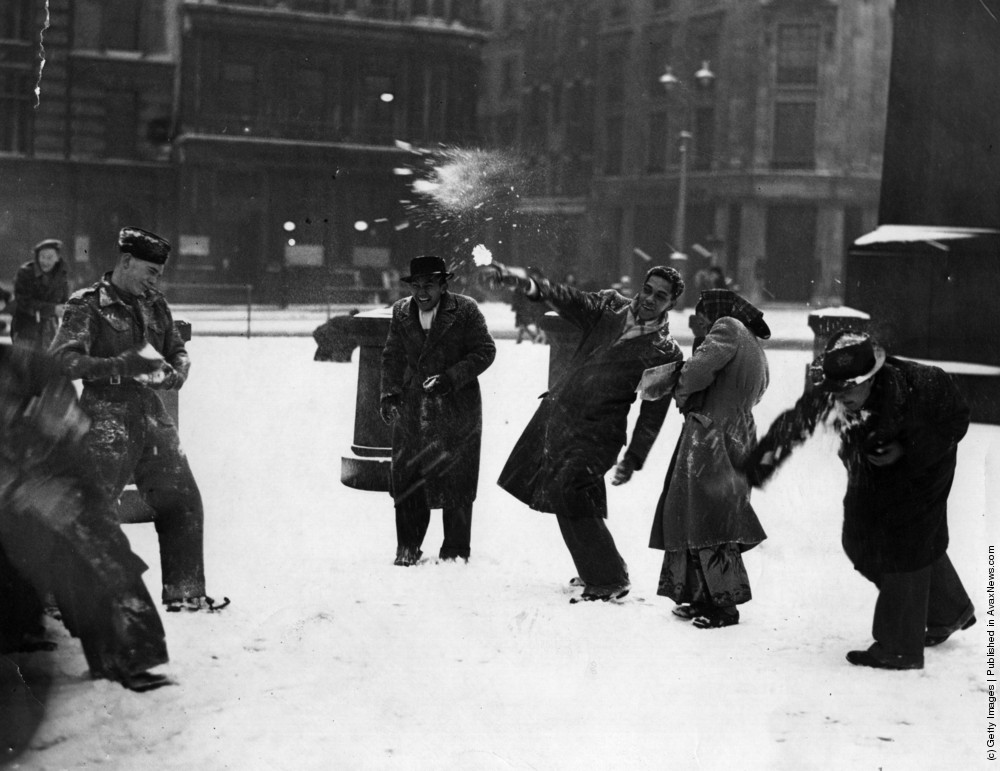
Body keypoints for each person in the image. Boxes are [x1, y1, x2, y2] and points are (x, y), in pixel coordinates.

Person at [743, 330, 974, 669]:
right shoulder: (835, 390)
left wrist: (906, 449)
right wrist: (752, 470)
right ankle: (948, 610)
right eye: (836, 388)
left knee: (907, 544)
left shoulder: (924, 385)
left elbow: (957, 421)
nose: (841, 396)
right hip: (870, 463)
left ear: (872, 377)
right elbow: (796, 422)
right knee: (859, 539)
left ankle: (899, 648)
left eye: (850, 387)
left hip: (924, 468)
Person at [49, 226, 226, 613]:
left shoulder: (155, 303)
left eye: (158, 273)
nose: (155, 280)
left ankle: (185, 592)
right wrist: (123, 366)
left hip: (151, 412)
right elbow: (62, 361)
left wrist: (176, 372)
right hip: (105, 414)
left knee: (182, 500)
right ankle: (61, 599)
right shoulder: (88, 304)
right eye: (151, 271)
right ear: (126, 262)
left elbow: (176, 350)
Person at [490, 265, 685, 603]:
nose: (650, 299)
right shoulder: (609, 306)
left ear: (671, 303)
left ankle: (608, 578)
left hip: (601, 433)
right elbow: (569, 299)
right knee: (574, 497)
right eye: (648, 289)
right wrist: (527, 284)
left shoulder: (666, 352)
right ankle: (599, 569)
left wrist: (634, 457)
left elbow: (653, 412)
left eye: (661, 296)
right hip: (564, 417)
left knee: (568, 491)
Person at [0, 342, 171, 691]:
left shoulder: (33, 366)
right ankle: (18, 631)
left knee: (99, 554)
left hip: (65, 473)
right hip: (15, 488)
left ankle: (129, 655)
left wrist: (47, 488)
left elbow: (68, 427)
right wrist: (24, 491)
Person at [649, 289, 771, 629]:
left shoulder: (728, 326)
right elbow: (758, 391)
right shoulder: (753, 342)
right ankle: (702, 597)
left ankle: (724, 606)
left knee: (709, 517)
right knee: (705, 513)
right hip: (739, 431)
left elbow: (697, 371)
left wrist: (682, 391)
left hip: (710, 433)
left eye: (702, 315)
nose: (699, 322)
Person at [380, 254, 496, 566]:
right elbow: (392, 356)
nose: (421, 292)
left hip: (456, 408)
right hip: (413, 407)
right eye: (416, 285)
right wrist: (390, 395)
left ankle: (455, 552)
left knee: (457, 477)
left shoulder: (465, 309)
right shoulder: (401, 311)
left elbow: (485, 351)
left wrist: (450, 378)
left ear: (443, 285)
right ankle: (407, 547)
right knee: (408, 477)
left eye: (429, 285)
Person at [10, 238, 70, 350]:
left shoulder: (61, 276)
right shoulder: (25, 273)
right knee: (23, 360)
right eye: (42, 256)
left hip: (50, 333)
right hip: (26, 331)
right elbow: (23, 302)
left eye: (49, 257)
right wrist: (52, 309)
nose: (45, 261)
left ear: (57, 258)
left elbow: (64, 301)